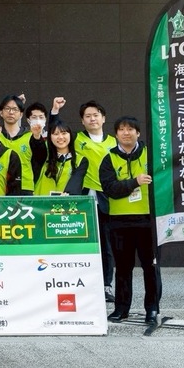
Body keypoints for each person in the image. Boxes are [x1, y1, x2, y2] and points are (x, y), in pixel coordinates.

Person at [54, 97, 118, 304]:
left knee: (107, 245)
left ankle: (106, 285)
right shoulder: (77, 139)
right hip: (82, 197)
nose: (92, 119)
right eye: (87, 116)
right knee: (79, 243)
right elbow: (54, 133)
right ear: (82, 121)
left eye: (95, 115)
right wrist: (55, 111)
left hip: (109, 198)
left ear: (103, 118)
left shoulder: (114, 141)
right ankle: (77, 284)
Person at [99, 116, 159, 325]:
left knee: (150, 267)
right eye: (122, 129)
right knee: (123, 268)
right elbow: (111, 189)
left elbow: (178, 160)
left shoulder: (151, 154)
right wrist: (134, 182)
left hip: (147, 220)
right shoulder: (109, 159)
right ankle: (121, 309)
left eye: (131, 129)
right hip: (119, 221)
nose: (126, 133)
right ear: (115, 134)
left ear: (138, 133)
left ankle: (152, 309)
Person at [30, 121, 88, 196]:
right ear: (50, 137)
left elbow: (76, 182)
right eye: (56, 134)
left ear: (70, 135)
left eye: (64, 133)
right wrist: (37, 136)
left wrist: (68, 194)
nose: (60, 137)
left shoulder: (80, 160)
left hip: (64, 204)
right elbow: (38, 147)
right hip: (40, 205)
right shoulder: (44, 156)